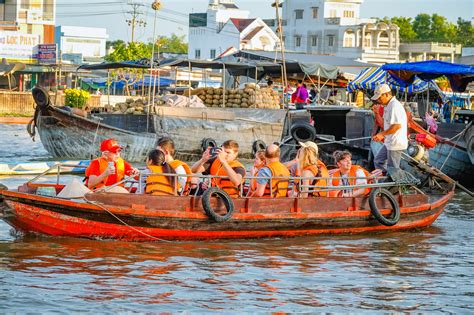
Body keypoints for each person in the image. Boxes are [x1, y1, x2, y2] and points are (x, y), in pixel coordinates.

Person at [371, 84, 408, 173]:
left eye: (379, 98)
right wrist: (376, 113)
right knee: (378, 161)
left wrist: (381, 134)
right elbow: (384, 124)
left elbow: (397, 126)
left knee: (393, 168)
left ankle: (394, 184)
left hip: (395, 143)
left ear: (387, 94)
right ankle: (384, 180)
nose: (378, 100)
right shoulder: (388, 106)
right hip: (389, 142)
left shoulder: (394, 106)